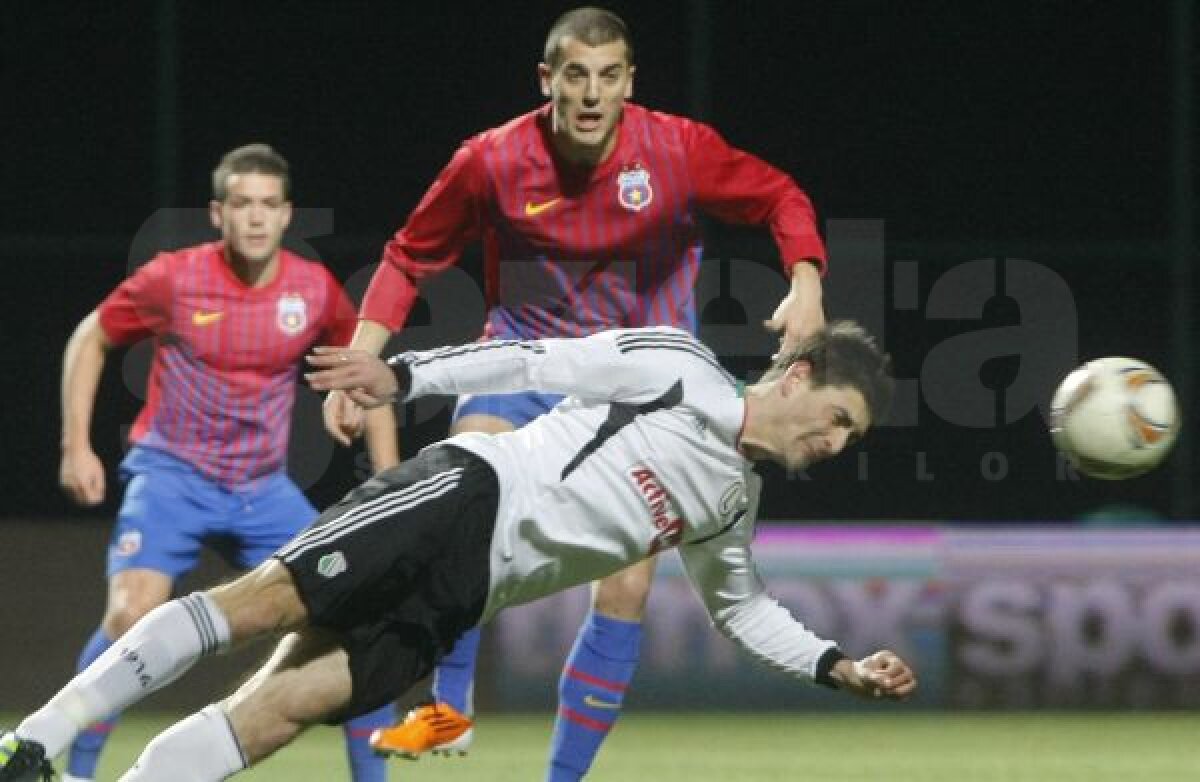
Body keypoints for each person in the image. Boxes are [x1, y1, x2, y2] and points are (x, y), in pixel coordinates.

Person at [1, 322, 915, 782]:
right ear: (796, 376)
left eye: (852, 438)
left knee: (280, 710)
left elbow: (741, 608)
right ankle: (41, 734)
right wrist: (403, 377)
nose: (835, 444)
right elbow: (532, 361)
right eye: (838, 419)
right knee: (261, 605)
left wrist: (835, 665)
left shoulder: (729, 501)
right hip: (461, 497)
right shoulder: (680, 368)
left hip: (461, 599)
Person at [323, 9, 830, 778]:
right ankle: (447, 710)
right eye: (576, 75)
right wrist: (364, 362)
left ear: (630, 82)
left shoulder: (678, 149)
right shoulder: (491, 160)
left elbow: (779, 196)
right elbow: (407, 256)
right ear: (547, 79)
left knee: (625, 586)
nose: (592, 94)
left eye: (609, 75)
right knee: (462, 503)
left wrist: (806, 279)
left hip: (647, 390)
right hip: (527, 363)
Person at [53, 144, 396, 782]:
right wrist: (77, 444)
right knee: (131, 615)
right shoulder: (173, 278)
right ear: (219, 213)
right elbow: (90, 336)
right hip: (171, 478)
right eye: (242, 204)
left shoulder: (310, 288)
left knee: (358, 610)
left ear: (288, 214)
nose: (256, 218)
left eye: (269, 204)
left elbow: (361, 369)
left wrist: (383, 475)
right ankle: (76, 771)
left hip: (261, 491)